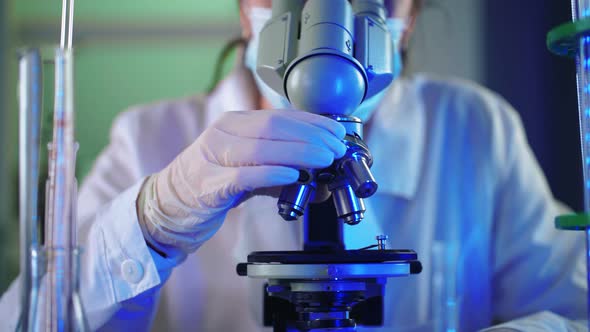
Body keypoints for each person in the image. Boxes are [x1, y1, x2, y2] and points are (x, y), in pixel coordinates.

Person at [1, 0, 587, 331]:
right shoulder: (148, 139)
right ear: (243, 7)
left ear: (410, 11)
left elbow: (572, 309)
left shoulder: (475, 128)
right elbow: (30, 320)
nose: (322, 15)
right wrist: (154, 218)